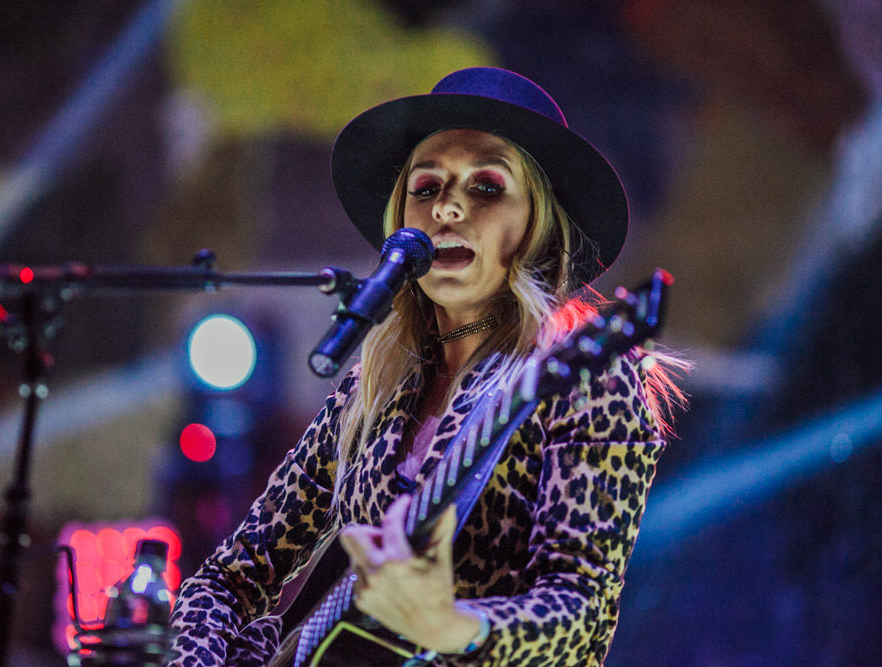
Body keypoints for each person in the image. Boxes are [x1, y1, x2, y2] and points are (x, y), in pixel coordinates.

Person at [168, 67, 685, 666]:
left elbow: (580, 614)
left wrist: (451, 627)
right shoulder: (371, 390)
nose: (448, 206)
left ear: (537, 226)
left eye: (486, 186)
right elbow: (229, 577)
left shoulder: (588, 379)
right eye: (426, 186)